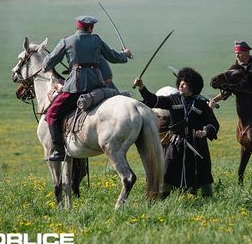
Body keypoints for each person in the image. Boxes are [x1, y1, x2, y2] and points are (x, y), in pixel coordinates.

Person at [42, 15, 133, 161]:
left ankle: (59, 151)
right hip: (97, 84)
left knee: (51, 114)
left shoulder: (67, 41)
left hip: (75, 87)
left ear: (78, 27)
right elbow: (114, 57)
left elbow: (47, 65)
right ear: (91, 28)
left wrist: (49, 58)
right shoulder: (96, 40)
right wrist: (125, 54)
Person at [133, 67, 219, 197]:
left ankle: (207, 200)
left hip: (197, 146)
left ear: (192, 86)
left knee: (202, 175)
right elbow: (153, 100)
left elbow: (213, 123)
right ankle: (162, 201)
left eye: (184, 83)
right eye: (180, 82)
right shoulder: (172, 99)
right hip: (176, 144)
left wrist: (205, 131)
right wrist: (142, 87)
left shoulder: (202, 104)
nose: (180, 84)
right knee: (167, 173)